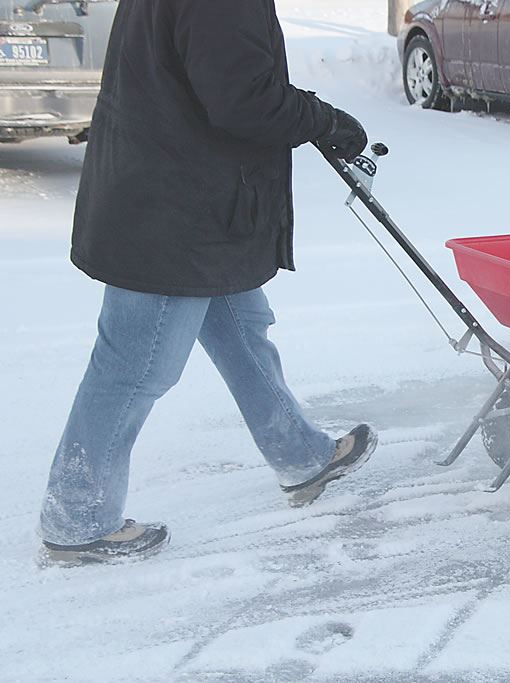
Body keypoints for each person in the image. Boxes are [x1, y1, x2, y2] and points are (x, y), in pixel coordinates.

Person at [38, 0, 375, 565]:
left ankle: (301, 455)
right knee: (134, 366)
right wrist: (324, 120)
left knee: (243, 331)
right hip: (174, 212)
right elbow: (244, 100)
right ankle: (79, 517)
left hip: (193, 200)